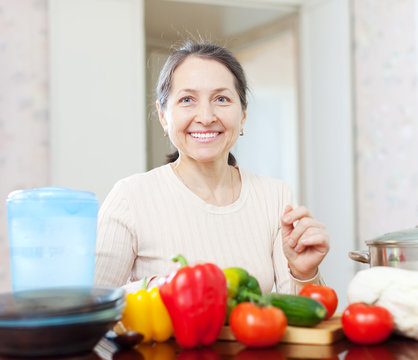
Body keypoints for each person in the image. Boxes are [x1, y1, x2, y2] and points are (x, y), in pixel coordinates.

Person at [94, 41, 329, 294]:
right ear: (163, 116)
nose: (206, 117)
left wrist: (305, 273)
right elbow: (91, 305)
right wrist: (157, 288)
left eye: (221, 99)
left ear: (243, 114)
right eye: (187, 99)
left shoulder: (275, 197)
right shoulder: (130, 197)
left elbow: (300, 318)